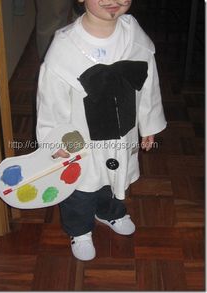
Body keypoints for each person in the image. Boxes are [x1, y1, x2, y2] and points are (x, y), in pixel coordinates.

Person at [36, 0, 167, 261]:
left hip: (122, 130)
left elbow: (148, 85)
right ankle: (80, 229)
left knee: (116, 177)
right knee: (81, 184)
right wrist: (56, 140)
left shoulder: (135, 37)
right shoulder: (64, 47)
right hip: (81, 137)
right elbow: (50, 100)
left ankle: (110, 211)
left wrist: (148, 125)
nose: (114, 1)